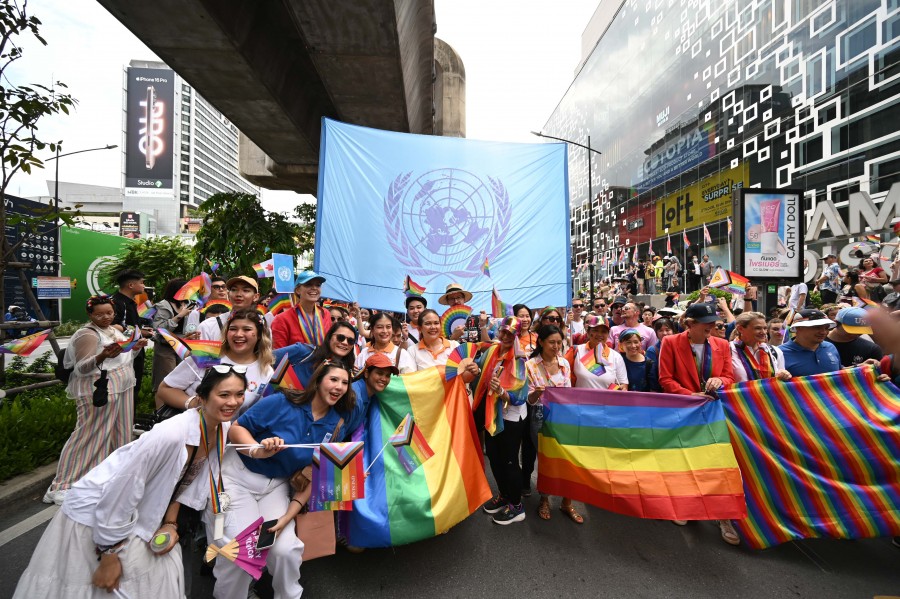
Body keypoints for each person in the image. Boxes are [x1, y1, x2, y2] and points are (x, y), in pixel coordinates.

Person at [19, 367, 245, 599]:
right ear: (202, 397)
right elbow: (122, 490)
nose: (233, 402)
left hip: (140, 512)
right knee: (94, 587)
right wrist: (108, 554)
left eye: (240, 394)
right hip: (98, 515)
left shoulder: (221, 427)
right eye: (224, 394)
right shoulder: (170, 435)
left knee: (159, 578)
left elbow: (185, 480)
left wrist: (170, 522)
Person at [214, 361, 370, 599]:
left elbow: (312, 475)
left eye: (345, 382)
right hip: (238, 478)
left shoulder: (336, 425)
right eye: (333, 379)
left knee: (286, 550)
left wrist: (288, 517)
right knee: (242, 550)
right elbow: (237, 428)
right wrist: (258, 449)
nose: (339, 386)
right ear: (318, 381)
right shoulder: (282, 401)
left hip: (275, 487)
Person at [42, 295, 148, 506]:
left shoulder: (114, 330)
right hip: (98, 389)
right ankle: (61, 485)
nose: (105, 317)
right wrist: (102, 356)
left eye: (109, 313)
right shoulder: (87, 334)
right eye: (99, 314)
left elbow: (122, 358)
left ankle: (104, 479)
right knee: (88, 436)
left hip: (123, 386)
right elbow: (81, 368)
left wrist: (133, 349)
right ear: (90, 314)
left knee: (120, 434)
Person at [657, 301, 738, 545]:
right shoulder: (670, 342)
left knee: (717, 463)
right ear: (689, 324)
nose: (712, 326)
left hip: (714, 411)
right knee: (686, 460)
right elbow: (665, 379)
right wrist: (690, 396)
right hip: (684, 412)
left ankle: (723, 515)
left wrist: (719, 381)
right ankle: (686, 505)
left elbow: (729, 376)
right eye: (706, 323)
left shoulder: (722, 344)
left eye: (714, 323)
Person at [157, 309, 274, 415]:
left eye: (247, 329)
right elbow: (165, 389)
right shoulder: (207, 355)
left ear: (259, 335)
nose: (238, 334)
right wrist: (192, 403)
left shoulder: (266, 371)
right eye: (233, 329)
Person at [524, 324, 583, 524]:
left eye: (559, 342)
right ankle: (545, 499)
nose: (556, 346)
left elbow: (568, 392)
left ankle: (567, 501)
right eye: (552, 342)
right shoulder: (530, 365)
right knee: (546, 460)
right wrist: (537, 393)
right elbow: (529, 401)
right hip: (540, 414)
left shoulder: (564, 363)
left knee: (568, 458)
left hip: (564, 416)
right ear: (540, 342)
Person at [477, 318, 530, 525]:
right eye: (504, 332)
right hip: (492, 413)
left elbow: (521, 395)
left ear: (517, 335)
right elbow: (479, 372)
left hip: (511, 416)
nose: (506, 336)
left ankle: (517, 507)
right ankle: (504, 495)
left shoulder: (519, 358)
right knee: (493, 456)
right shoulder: (492, 351)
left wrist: (502, 391)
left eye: (511, 333)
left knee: (509, 461)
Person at [272, 321, 359, 388]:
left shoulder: (347, 371)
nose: (344, 343)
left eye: (350, 341)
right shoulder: (304, 351)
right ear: (329, 337)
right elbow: (266, 359)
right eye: (340, 337)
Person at [407, 309, 480, 382]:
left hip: (455, 392)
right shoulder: (412, 351)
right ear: (419, 328)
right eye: (428, 323)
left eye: (436, 323)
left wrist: (473, 370)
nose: (433, 327)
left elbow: (465, 379)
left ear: (440, 326)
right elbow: (411, 381)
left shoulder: (454, 346)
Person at [150, 277, 193, 393]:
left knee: (182, 381)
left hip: (183, 345)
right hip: (166, 346)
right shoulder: (163, 305)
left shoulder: (189, 304)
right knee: (164, 380)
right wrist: (179, 316)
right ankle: (161, 410)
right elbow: (159, 328)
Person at [110, 269, 150, 392]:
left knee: (134, 389)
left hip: (136, 351)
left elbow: (128, 324)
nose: (144, 285)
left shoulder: (131, 302)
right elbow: (111, 327)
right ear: (131, 285)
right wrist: (139, 332)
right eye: (142, 282)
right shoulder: (116, 303)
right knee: (125, 390)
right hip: (123, 354)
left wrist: (141, 330)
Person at [271, 271, 333, 349]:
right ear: (298, 290)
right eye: (308, 284)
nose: (314, 288)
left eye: (318, 285)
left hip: (324, 360)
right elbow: (279, 355)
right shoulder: (282, 319)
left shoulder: (326, 314)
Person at [565, 315, 628, 389]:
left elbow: (623, 384)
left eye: (603, 331)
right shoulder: (576, 351)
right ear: (588, 333)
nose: (599, 334)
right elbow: (563, 375)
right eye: (595, 330)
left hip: (606, 400)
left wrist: (622, 387)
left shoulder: (616, 357)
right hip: (579, 400)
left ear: (608, 334)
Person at [730, 312, 791, 382]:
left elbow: (781, 379)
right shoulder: (728, 350)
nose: (763, 332)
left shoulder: (775, 351)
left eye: (765, 328)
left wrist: (784, 375)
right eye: (758, 328)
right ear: (740, 329)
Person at [779, 309, 842, 376]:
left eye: (826, 328)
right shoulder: (780, 353)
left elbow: (839, 373)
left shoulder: (830, 347)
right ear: (799, 328)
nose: (823, 332)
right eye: (817, 327)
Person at [198, 276, 261, 341]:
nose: (238, 294)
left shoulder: (261, 324)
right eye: (234, 290)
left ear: (256, 297)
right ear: (228, 294)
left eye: (245, 290)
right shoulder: (207, 326)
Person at [645, 317, 675, 391]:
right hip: (661, 389)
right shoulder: (652, 350)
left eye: (667, 330)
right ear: (656, 333)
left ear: (673, 331)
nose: (664, 333)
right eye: (660, 330)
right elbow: (652, 374)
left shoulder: (679, 347)